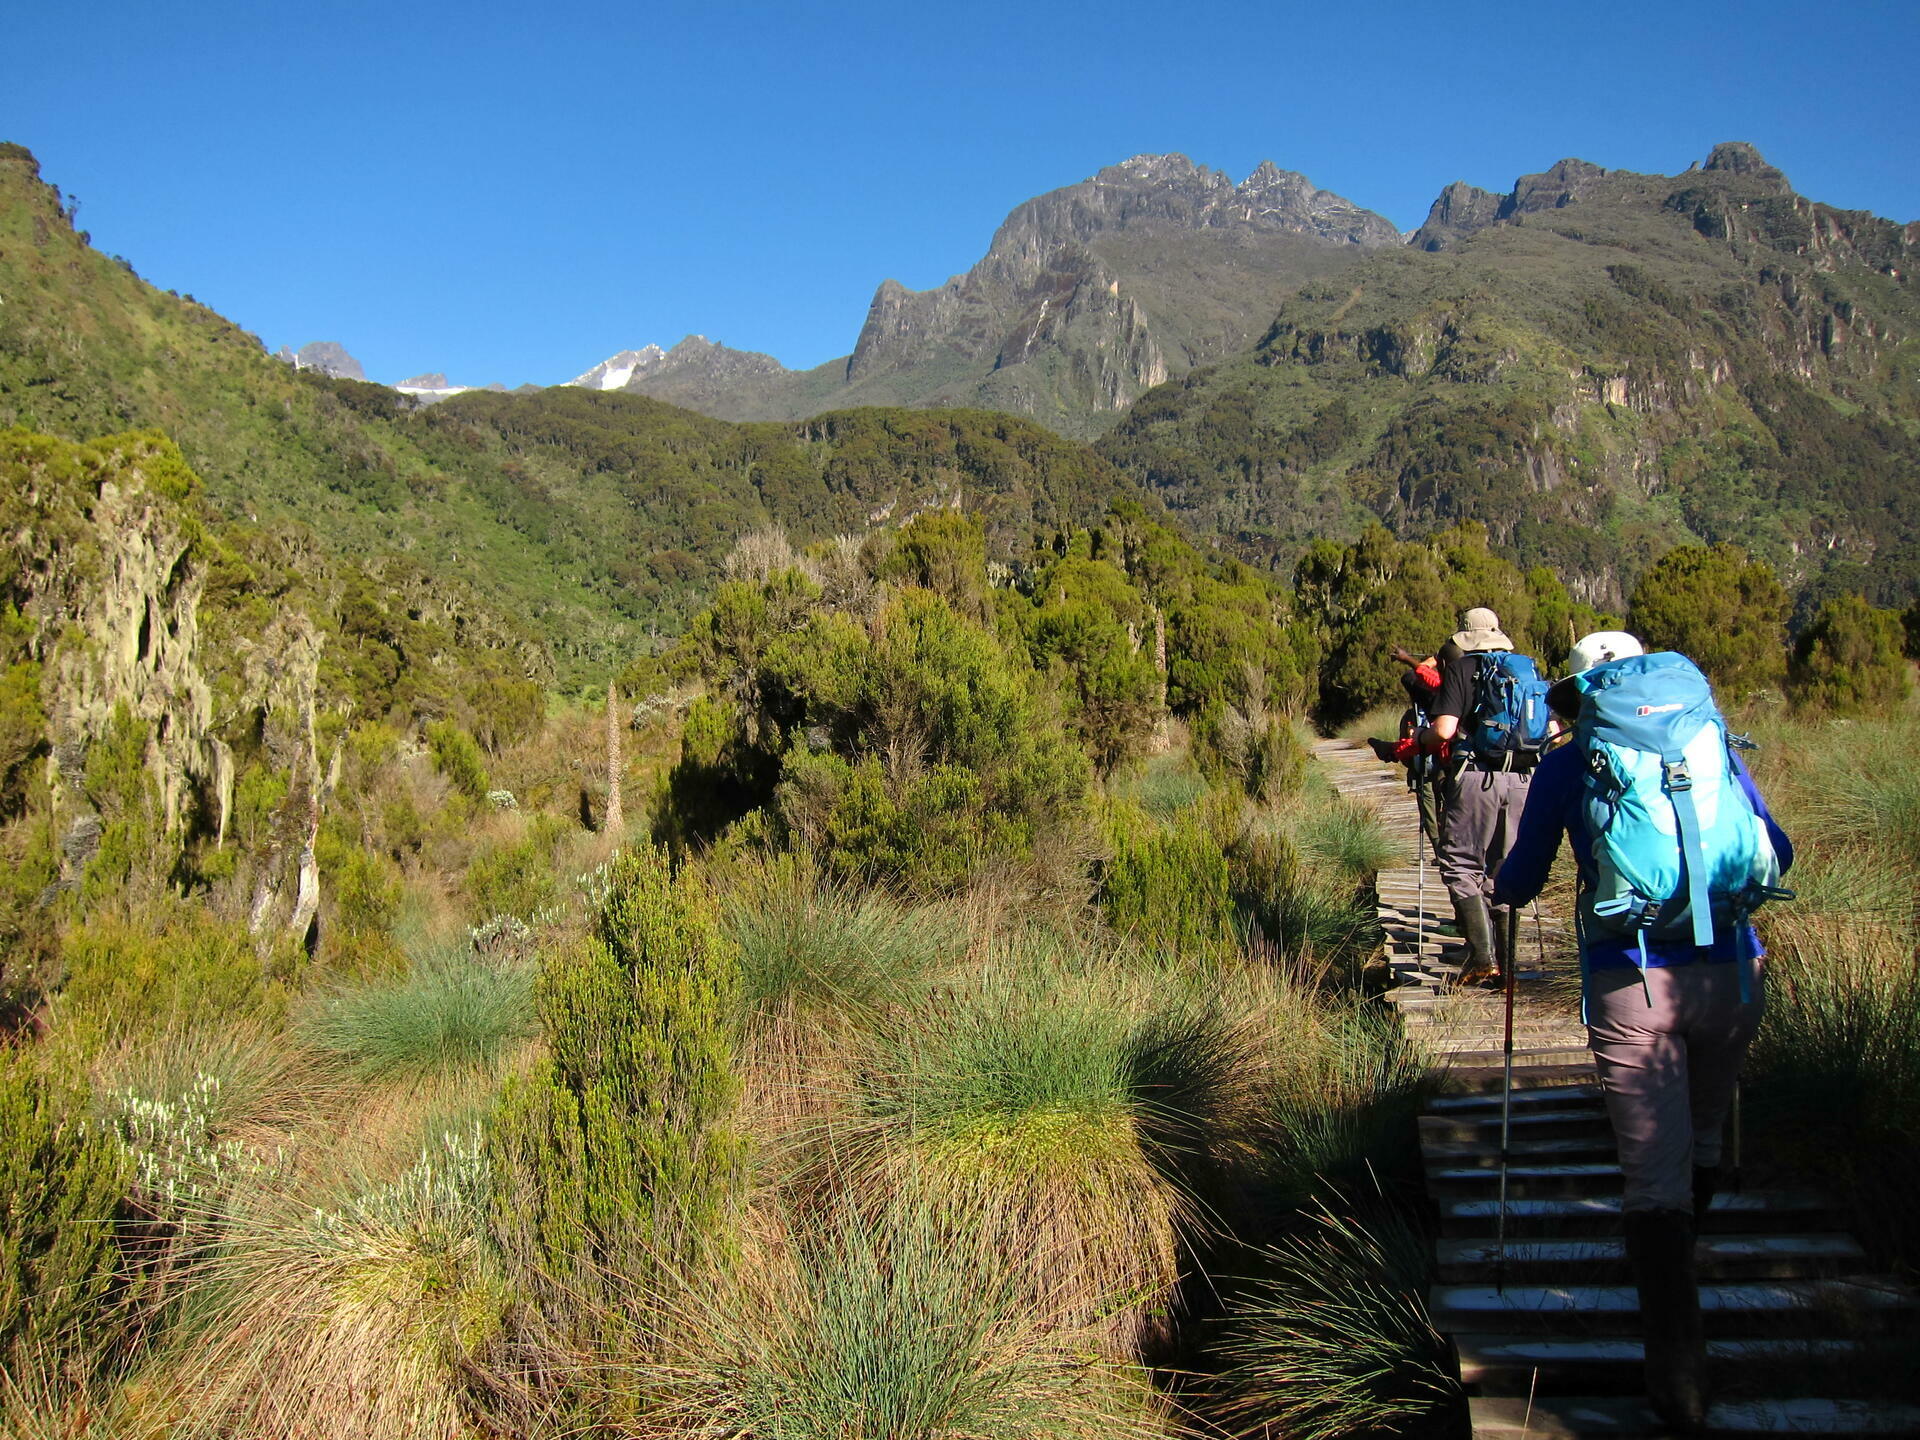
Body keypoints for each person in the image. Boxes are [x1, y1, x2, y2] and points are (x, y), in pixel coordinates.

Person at [1493, 630, 1793, 1432]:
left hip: (1634, 983)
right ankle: (1685, 1271)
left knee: (1652, 1183)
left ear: (1582, 695)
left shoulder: (1568, 764)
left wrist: (1505, 886)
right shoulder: (1710, 744)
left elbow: (1522, 875)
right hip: (1735, 976)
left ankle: (1679, 1382)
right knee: (1701, 1140)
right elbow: (1778, 850)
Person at [1422, 607, 1542, 985]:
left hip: (1476, 776)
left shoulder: (1462, 669)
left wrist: (1421, 740)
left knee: (1460, 864)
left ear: (1465, 636)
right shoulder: (1526, 669)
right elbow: (1550, 727)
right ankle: (1507, 968)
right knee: (1503, 867)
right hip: (1522, 777)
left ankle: (1481, 958)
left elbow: (1444, 730)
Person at [1365, 640, 1461, 857]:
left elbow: (1414, 679)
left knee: (1438, 803)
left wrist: (1419, 660)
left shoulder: (1451, 690)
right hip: (1470, 766)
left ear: (1444, 665)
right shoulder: (1474, 683)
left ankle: (1393, 751)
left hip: (1447, 760)